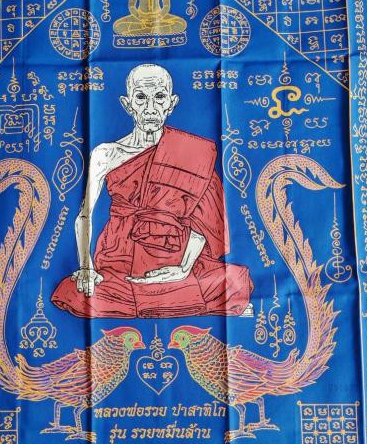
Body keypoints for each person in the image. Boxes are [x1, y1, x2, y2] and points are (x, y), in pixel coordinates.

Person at [51, 63, 253, 319]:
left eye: (159, 97)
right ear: (127, 104)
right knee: (76, 293)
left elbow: (205, 219)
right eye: (141, 98)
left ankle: (176, 286)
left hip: (176, 254)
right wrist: (86, 267)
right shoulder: (106, 154)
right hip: (119, 256)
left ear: (171, 103)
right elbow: (84, 215)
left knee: (230, 283)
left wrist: (183, 268)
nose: (150, 108)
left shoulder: (192, 152)